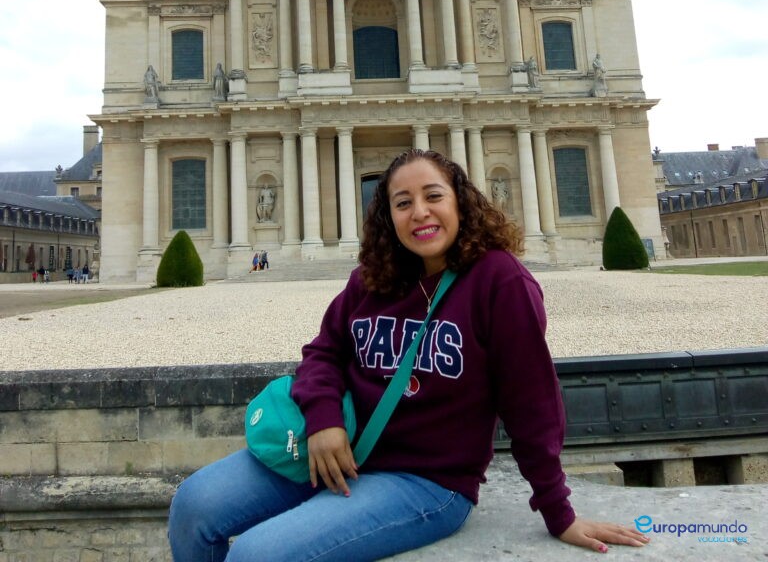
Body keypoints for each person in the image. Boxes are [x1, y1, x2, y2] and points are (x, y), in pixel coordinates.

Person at [168, 149, 649, 561]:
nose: (419, 212)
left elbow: (531, 402)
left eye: (433, 196)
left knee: (257, 554)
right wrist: (324, 419)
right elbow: (323, 352)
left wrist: (557, 510)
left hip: (426, 481)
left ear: (461, 202)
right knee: (192, 504)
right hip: (343, 449)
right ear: (388, 216)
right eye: (403, 202)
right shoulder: (374, 276)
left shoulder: (500, 282)